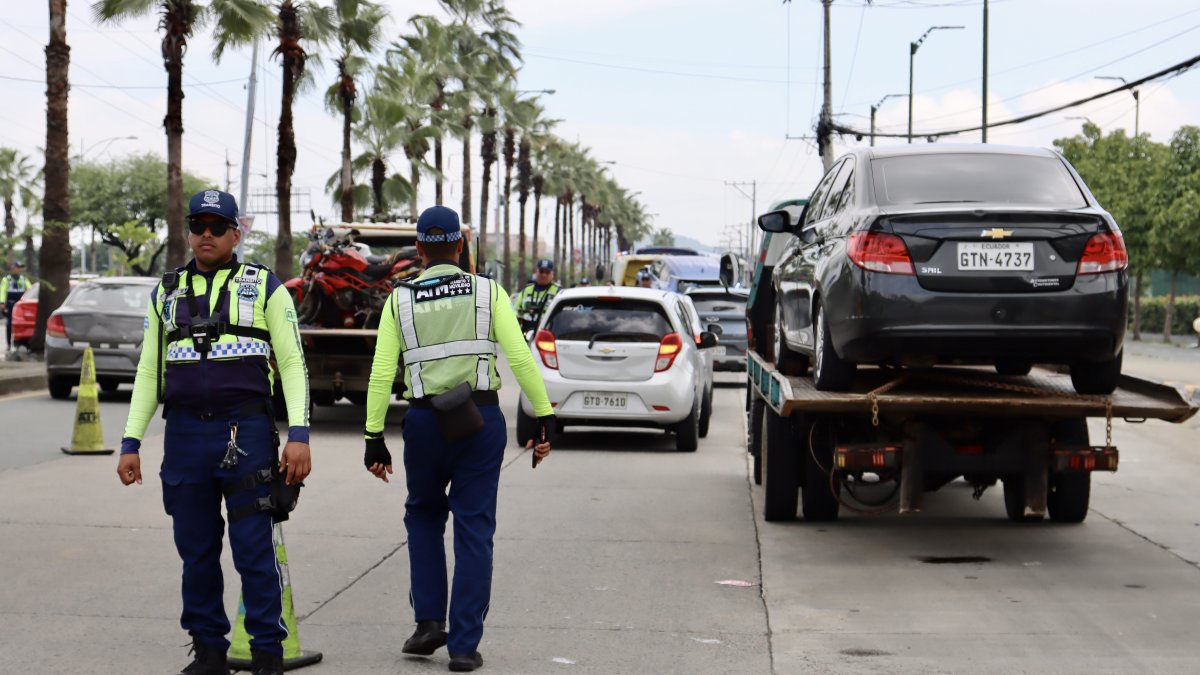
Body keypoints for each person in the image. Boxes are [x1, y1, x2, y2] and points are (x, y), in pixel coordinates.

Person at [116, 189, 312, 675]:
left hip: (244, 432)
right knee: (196, 553)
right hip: (184, 437)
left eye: (217, 226)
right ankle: (208, 650)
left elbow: (291, 362)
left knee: (253, 552)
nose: (206, 234)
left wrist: (300, 433)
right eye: (198, 226)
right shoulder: (166, 291)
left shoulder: (265, 287)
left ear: (235, 234)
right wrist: (130, 442)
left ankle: (267, 652)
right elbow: (147, 371)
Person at [363, 205, 554, 672]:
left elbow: (383, 371)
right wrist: (544, 416)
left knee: (424, 517)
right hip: (480, 421)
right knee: (474, 529)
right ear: (460, 245)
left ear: (420, 249)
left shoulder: (400, 299)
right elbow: (522, 359)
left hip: (425, 423)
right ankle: (464, 646)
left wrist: (373, 436)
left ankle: (429, 623)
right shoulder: (489, 292)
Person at [513, 258, 561, 333]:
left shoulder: (558, 292)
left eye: (547, 272)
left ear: (552, 274)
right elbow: (514, 310)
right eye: (541, 271)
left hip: (548, 331)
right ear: (536, 272)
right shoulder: (526, 291)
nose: (544, 275)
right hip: (525, 331)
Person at [0, 261, 30, 350]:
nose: (19, 269)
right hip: (10, 303)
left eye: (20, 268)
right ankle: (9, 344)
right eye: (17, 267)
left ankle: (19, 343)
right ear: (12, 269)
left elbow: (30, 289)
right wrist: (2, 302)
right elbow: (2, 291)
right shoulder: (7, 279)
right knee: (9, 323)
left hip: (21, 305)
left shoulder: (24, 279)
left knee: (21, 324)